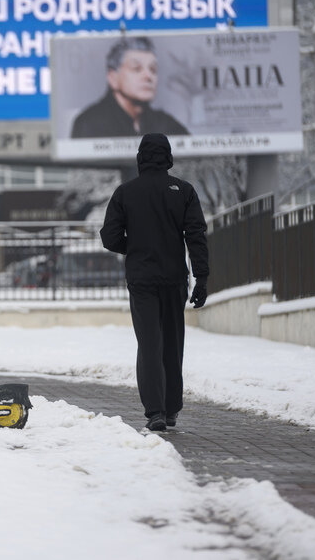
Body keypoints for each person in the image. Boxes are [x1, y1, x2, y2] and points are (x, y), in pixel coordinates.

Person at [100, 133, 209, 432]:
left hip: (141, 279)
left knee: (149, 343)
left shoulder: (125, 192)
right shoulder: (184, 191)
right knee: (173, 343)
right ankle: (171, 409)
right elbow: (196, 235)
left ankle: (155, 412)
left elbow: (109, 237)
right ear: (168, 157)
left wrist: (134, 247)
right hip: (174, 278)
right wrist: (201, 277)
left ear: (140, 158)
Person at [71, 37, 189, 139]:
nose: (148, 76)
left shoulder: (166, 124)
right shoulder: (90, 123)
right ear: (113, 78)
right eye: (136, 68)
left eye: (153, 70)